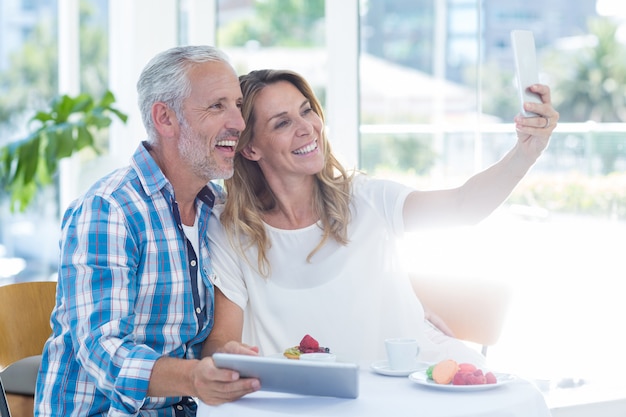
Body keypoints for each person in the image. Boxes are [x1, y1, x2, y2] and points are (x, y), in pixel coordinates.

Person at [203, 69, 559, 366]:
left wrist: (525, 153)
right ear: (250, 147)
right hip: (306, 400)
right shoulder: (233, 231)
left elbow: (463, 207)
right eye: (282, 123)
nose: (306, 128)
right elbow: (222, 339)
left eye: (307, 110)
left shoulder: (366, 199)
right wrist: (229, 360)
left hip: (408, 383)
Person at [35, 45, 260, 417]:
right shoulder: (110, 209)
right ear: (165, 119)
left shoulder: (216, 210)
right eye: (218, 106)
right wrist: (194, 378)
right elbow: (102, 348)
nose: (238, 122)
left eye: (237, 105)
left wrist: (222, 360)